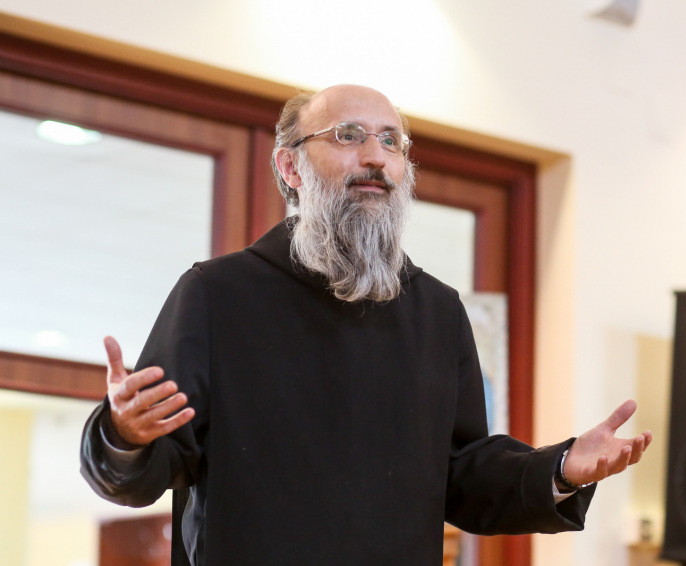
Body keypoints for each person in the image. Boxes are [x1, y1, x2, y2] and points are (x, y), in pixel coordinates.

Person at [80, 84, 651, 566]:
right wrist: (123, 435)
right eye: (348, 136)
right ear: (290, 166)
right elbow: (151, 466)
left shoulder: (437, 312)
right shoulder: (217, 294)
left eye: (391, 141)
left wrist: (560, 468)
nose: (375, 156)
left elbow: (462, 474)